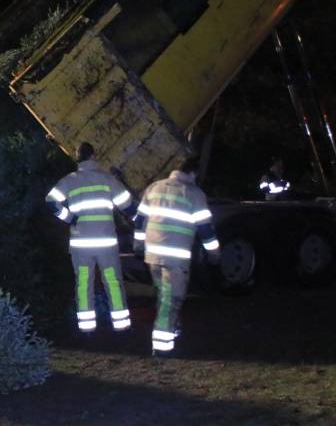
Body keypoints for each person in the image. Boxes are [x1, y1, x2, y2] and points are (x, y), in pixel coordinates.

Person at [133, 156, 220, 358]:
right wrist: (215, 255)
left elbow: (140, 221)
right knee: (170, 301)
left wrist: (138, 245)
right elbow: (206, 230)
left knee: (163, 297)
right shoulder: (194, 194)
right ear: (193, 173)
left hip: (152, 255)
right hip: (176, 260)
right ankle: (162, 348)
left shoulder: (154, 187)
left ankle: (172, 329)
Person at [45, 142, 135, 335]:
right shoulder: (107, 179)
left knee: (84, 283)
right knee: (113, 282)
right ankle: (121, 325)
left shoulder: (69, 180)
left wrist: (69, 218)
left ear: (78, 158)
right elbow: (128, 206)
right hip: (106, 245)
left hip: (81, 246)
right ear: (93, 156)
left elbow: (50, 202)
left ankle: (87, 328)